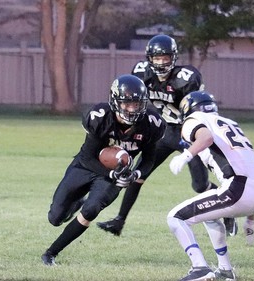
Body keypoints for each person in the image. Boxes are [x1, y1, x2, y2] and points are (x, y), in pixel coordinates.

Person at [97, 34, 238, 237]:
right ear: (149, 58)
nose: (161, 62)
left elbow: (197, 110)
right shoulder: (141, 74)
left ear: (173, 57)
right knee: (138, 175)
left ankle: (227, 211)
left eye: (165, 57)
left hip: (187, 132)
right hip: (163, 132)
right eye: (157, 58)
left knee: (199, 186)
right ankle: (119, 221)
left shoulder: (186, 79)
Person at [41, 74, 166, 266]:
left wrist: (135, 174)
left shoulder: (150, 123)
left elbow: (149, 159)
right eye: (127, 104)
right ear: (116, 101)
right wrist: (110, 173)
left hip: (115, 174)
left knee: (91, 210)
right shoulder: (100, 117)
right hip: (86, 166)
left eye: (136, 104)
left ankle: (51, 253)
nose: (132, 109)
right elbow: (87, 157)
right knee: (55, 218)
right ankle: (74, 205)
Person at [167, 91, 254, 281]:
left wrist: (185, 156)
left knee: (175, 217)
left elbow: (205, 139)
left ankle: (199, 268)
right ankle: (225, 270)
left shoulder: (194, 119)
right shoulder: (231, 124)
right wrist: (251, 220)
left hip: (237, 189)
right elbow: (251, 167)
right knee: (210, 217)